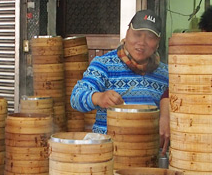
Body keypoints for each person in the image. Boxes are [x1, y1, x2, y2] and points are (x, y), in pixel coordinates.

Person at [70, 9, 170, 151]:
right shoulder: (104, 64)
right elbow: (76, 97)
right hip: (108, 154)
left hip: (148, 155)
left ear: (158, 42)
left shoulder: (165, 73)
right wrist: (98, 97)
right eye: (137, 34)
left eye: (150, 37)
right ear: (127, 33)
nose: (142, 42)